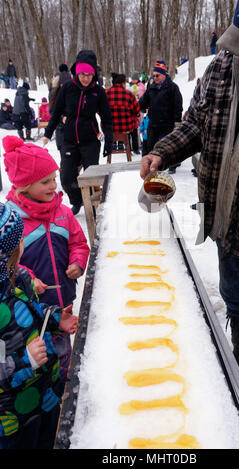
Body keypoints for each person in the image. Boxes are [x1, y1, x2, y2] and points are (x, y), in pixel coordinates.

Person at [140, 0, 239, 421]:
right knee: (235, 302)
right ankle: (235, 379)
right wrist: (161, 152)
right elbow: (196, 123)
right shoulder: (226, 63)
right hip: (225, 220)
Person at [3, 135, 90, 387]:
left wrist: (77, 262)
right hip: (29, 309)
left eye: (54, 178)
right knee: (38, 353)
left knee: (63, 350)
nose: (54, 185)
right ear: (24, 185)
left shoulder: (62, 213)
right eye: (45, 181)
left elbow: (78, 243)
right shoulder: (13, 222)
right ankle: (43, 388)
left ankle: (63, 385)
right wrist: (28, 278)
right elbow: (8, 262)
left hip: (62, 301)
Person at [0, 202, 78, 449]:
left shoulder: (18, 278)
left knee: (48, 439)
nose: (23, 242)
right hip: (13, 416)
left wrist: (55, 318)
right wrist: (26, 360)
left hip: (45, 394)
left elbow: (32, 310)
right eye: (18, 241)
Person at [43, 50, 113, 216]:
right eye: (82, 74)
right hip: (70, 140)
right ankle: (77, 200)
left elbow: (106, 118)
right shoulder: (67, 88)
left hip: (90, 141)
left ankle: (92, 204)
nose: (85, 78)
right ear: (76, 72)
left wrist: (108, 140)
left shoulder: (98, 91)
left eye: (89, 74)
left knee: (90, 178)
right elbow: (55, 112)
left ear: (93, 74)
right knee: (66, 178)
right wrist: (47, 133)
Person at [139, 60, 183, 174]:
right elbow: (143, 103)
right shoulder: (151, 88)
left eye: (157, 75)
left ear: (164, 74)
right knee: (150, 145)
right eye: (153, 76)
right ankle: (150, 166)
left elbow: (178, 105)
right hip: (153, 122)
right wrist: (136, 105)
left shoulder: (173, 87)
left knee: (169, 146)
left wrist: (177, 121)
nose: (155, 78)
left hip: (167, 122)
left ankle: (172, 165)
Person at [106, 73, 141, 155]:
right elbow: (137, 110)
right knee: (134, 122)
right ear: (122, 83)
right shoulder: (129, 94)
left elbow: (99, 110)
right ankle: (135, 148)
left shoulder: (106, 94)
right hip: (126, 127)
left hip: (111, 128)